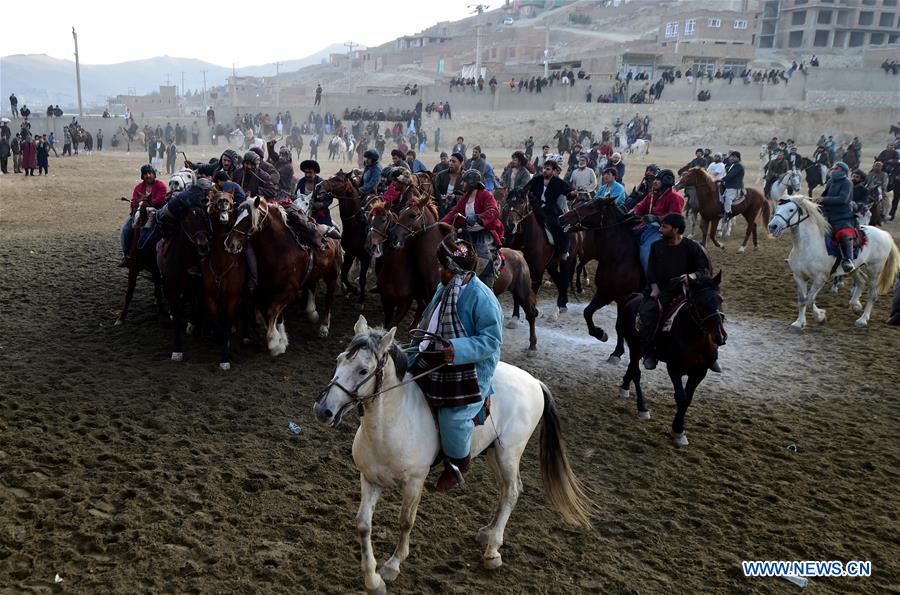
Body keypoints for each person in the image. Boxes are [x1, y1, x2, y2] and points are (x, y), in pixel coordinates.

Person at [409, 236, 503, 492]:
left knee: (453, 416)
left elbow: (492, 340)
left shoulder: (482, 298)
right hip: (438, 353)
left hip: (470, 366)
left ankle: (458, 463)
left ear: (456, 269)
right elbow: (431, 316)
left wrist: (458, 349)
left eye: (444, 267)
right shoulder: (446, 287)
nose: (440, 270)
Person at [638, 213, 712, 370]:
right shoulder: (656, 246)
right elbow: (651, 270)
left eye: (665, 227)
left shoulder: (692, 247)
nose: (660, 229)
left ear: (676, 230)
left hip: (689, 291)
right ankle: (650, 351)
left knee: (711, 311)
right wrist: (654, 287)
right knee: (648, 313)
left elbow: (703, 269)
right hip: (664, 291)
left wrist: (691, 276)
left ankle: (710, 353)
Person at [440, 169, 505, 287]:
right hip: (468, 234)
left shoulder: (486, 195)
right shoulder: (465, 198)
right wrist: (439, 223)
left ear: (471, 182)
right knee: (460, 253)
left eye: (464, 182)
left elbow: (494, 211)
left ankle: (488, 285)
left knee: (483, 257)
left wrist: (477, 218)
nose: (461, 184)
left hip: (484, 233)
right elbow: (453, 213)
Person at [631, 169, 685, 274]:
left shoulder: (675, 197)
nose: (655, 182)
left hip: (662, 231)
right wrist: (631, 212)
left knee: (647, 251)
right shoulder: (651, 195)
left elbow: (675, 217)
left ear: (666, 181)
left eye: (658, 180)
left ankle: (652, 283)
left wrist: (658, 218)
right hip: (644, 227)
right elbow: (639, 207)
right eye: (655, 179)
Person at [526, 156, 575, 259]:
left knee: (559, 227)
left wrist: (573, 194)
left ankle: (563, 250)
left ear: (554, 171)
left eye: (548, 169)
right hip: (535, 209)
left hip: (551, 211)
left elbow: (569, 193)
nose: (544, 171)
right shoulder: (536, 179)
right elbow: (525, 189)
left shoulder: (558, 182)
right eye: (544, 168)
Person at [119, 165, 169, 266]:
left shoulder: (161, 186)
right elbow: (134, 202)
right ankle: (126, 256)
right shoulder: (138, 187)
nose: (148, 175)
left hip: (156, 213)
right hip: (139, 212)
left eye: (150, 173)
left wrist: (144, 201)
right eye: (146, 174)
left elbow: (159, 200)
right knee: (125, 229)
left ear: (154, 174)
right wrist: (139, 205)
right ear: (142, 176)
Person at [819, 162, 856, 273]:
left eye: (836, 168)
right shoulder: (831, 181)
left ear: (843, 171)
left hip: (842, 216)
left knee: (843, 235)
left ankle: (848, 259)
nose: (833, 170)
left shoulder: (847, 183)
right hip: (827, 214)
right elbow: (825, 196)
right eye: (833, 168)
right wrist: (818, 200)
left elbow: (843, 199)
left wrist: (824, 200)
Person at [721, 151, 744, 222]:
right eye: (731, 156)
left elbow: (731, 175)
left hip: (734, 186)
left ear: (738, 158)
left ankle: (728, 214)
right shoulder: (733, 165)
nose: (732, 158)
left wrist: (722, 179)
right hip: (729, 184)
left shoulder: (738, 166)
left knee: (728, 197)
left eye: (734, 157)